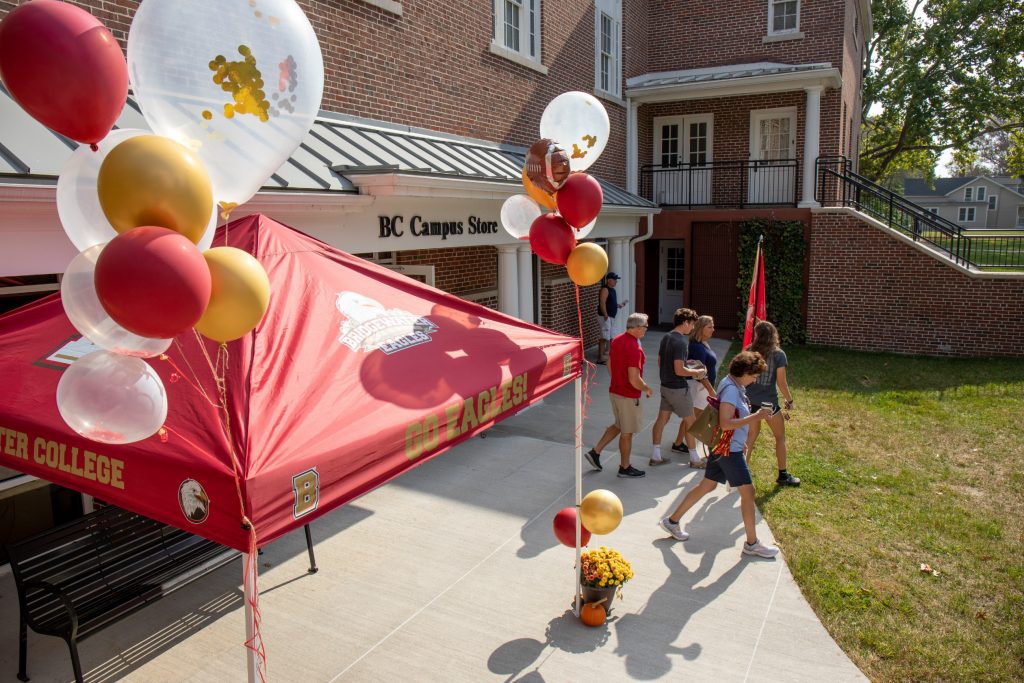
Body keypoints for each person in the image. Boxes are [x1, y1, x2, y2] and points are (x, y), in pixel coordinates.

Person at [658, 351, 780, 558]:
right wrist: (755, 417)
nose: (755, 379)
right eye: (754, 375)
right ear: (745, 372)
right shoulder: (732, 391)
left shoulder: (731, 383)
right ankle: (752, 543)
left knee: (707, 485)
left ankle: (672, 521)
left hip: (724, 447)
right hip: (728, 450)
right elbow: (725, 423)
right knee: (748, 493)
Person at [585, 312, 653, 478]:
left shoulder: (617, 340)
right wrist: (646, 389)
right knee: (627, 432)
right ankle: (625, 467)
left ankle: (595, 452)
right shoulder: (634, 348)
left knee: (619, 424)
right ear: (637, 328)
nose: (646, 329)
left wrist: (617, 380)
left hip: (615, 391)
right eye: (645, 326)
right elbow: (634, 379)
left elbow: (609, 363)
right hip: (628, 396)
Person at [744, 321, 800, 486]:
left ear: (758, 335)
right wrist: (789, 400)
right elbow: (781, 382)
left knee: (751, 436)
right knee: (780, 437)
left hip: (749, 401)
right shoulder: (778, 354)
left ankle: (742, 470)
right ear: (773, 335)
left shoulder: (749, 351)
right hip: (768, 404)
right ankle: (783, 475)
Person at [649, 308, 706, 467]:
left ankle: (656, 456)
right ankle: (695, 460)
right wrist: (697, 372)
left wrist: (686, 366)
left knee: (661, 420)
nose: (693, 328)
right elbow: (679, 370)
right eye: (692, 324)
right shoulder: (681, 341)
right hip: (678, 389)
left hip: (665, 386)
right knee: (691, 423)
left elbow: (661, 362)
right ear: (685, 322)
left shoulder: (666, 337)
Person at [680, 315, 719, 465]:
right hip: (699, 387)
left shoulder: (704, 343)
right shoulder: (696, 347)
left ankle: (678, 443)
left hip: (703, 387)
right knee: (697, 420)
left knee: (690, 418)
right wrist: (711, 390)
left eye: (713, 326)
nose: (713, 329)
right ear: (700, 328)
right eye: (709, 327)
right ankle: (703, 452)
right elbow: (699, 372)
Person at [595, 272, 625, 364]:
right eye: (614, 279)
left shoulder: (613, 290)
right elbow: (602, 302)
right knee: (604, 337)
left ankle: (608, 356)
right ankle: (601, 358)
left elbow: (610, 303)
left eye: (616, 280)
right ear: (609, 280)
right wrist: (605, 315)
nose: (616, 281)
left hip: (611, 317)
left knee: (611, 337)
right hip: (605, 317)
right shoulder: (605, 289)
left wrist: (617, 305)